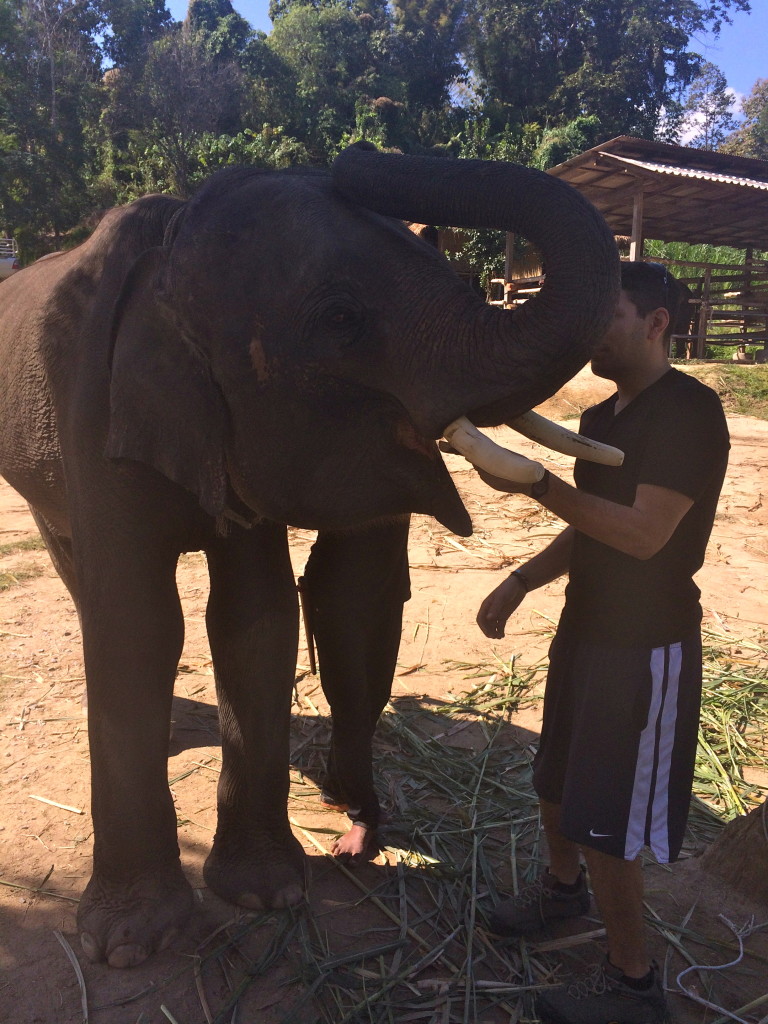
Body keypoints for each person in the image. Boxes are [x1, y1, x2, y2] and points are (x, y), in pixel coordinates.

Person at [476, 262, 729, 1024]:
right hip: (584, 632)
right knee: (555, 782)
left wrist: (538, 485)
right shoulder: (600, 417)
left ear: (655, 323)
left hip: (644, 650)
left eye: (606, 315)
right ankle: (561, 895)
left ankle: (633, 982)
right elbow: (588, 526)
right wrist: (522, 579)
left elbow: (646, 535)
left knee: (607, 818)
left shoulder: (689, 412)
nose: (592, 332)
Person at [298, 517, 411, 863]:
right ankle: (364, 815)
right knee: (352, 709)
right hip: (337, 594)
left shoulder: (411, 459)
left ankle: (336, 787)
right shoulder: (336, 462)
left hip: (388, 585)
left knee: (374, 699)